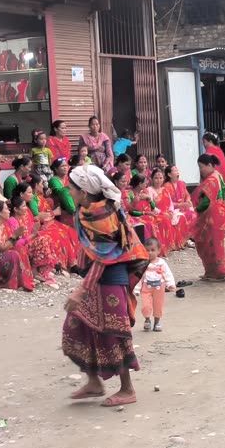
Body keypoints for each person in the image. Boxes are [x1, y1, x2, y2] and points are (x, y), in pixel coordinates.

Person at [62, 163, 150, 408]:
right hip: (94, 276)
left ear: (84, 191)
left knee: (114, 333)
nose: (69, 191)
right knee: (77, 325)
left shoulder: (103, 215)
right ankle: (94, 381)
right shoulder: (86, 210)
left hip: (111, 277)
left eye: (72, 188)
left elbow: (104, 256)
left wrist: (81, 290)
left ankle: (127, 388)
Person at [193, 153, 225, 280]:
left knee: (209, 243)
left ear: (209, 165)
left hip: (212, 215)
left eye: (201, 167)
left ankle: (217, 271)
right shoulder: (218, 176)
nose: (200, 170)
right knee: (215, 243)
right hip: (220, 213)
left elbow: (207, 201)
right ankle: (214, 271)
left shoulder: (211, 180)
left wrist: (195, 210)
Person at [9, 184, 60, 287]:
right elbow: (16, 242)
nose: (25, 208)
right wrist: (32, 236)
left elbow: (33, 228)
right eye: (23, 206)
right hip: (22, 245)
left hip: (29, 241)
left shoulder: (27, 213)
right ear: (15, 209)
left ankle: (43, 270)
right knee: (42, 240)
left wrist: (36, 233)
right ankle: (35, 271)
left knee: (46, 238)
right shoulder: (12, 221)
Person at [134, 237, 176, 332]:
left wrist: (170, 284)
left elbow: (167, 274)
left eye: (152, 250)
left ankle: (157, 322)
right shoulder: (143, 263)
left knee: (158, 305)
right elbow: (139, 277)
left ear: (158, 251)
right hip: (146, 287)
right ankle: (147, 319)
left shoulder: (161, 263)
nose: (150, 253)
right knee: (146, 305)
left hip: (159, 287)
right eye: (147, 250)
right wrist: (136, 289)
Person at [48, 158, 77, 224]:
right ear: (56, 169)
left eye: (66, 165)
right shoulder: (53, 180)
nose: (65, 168)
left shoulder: (68, 177)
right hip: (59, 205)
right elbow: (59, 191)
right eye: (62, 166)